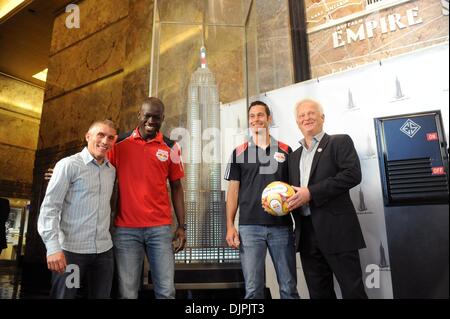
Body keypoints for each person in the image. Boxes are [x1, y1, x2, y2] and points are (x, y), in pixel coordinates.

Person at [287, 99, 367, 299]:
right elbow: (291, 191)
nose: (307, 118)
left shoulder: (339, 142)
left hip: (337, 230)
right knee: (319, 295)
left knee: (353, 292)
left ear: (322, 117)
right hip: (306, 235)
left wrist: (311, 193)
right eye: (302, 115)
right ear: (297, 122)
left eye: (311, 113)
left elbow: (352, 175)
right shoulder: (293, 156)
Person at [108, 97, 186, 299]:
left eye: (157, 117)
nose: (151, 121)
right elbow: (96, 168)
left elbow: (177, 188)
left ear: (163, 118)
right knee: (127, 293)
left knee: (166, 291)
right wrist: (61, 171)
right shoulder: (118, 144)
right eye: (147, 116)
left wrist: (181, 227)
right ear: (139, 115)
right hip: (125, 229)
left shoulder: (172, 148)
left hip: (160, 229)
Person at [225, 101, 299, 299]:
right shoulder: (239, 152)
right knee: (253, 291)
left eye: (260, 115)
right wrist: (230, 226)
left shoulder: (285, 150)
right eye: (252, 116)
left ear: (269, 118)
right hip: (249, 228)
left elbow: (295, 190)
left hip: (281, 227)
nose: (256, 119)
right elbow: (232, 192)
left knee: (288, 288)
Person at [38, 120, 118, 299]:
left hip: (103, 253)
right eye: (100, 135)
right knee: (66, 296)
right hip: (72, 254)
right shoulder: (68, 165)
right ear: (88, 136)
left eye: (110, 137)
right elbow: (50, 208)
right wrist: (52, 247)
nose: (105, 141)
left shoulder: (111, 171)